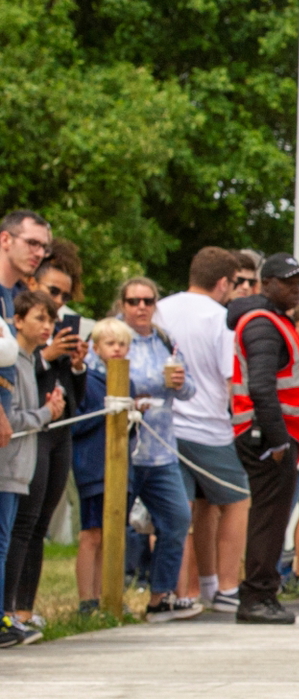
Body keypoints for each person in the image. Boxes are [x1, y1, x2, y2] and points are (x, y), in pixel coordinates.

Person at [229, 253, 299, 625]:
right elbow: (262, 386)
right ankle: (256, 596)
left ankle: (262, 592)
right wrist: (279, 442)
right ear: (267, 284)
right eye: (286, 281)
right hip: (269, 438)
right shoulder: (263, 324)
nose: (295, 288)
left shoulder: (278, 322)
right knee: (268, 517)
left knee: (275, 517)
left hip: (283, 437)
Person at [156, 247, 251, 614]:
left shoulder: (162, 308)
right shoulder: (221, 318)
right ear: (223, 282)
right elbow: (231, 378)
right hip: (208, 425)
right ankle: (227, 585)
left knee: (185, 508)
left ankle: (186, 590)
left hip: (165, 423)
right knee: (236, 499)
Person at [110, 276, 201, 622]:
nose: (141, 307)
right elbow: (95, 378)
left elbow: (189, 388)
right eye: (133, 301)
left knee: (177, 519)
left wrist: (179, 384)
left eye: (148, 301)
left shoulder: (164, 339)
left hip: (161, 448)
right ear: (123, 305)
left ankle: (160, 597)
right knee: (113, 524)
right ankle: (108, 600)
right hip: (123, 446)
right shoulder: (112, 336)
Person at [6, 241, 86, 626]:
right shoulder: (23, 329)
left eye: (64, 296)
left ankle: (24, 607)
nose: (57, 302)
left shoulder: (57, 327)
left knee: (40, 523)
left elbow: (75, 395)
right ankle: (10, 611)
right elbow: (20, 378)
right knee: (22, 521)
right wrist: (47, 355)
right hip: (27, 429)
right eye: (52, 292)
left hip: (58, 429)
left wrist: (77, 365)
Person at [0, 290, 60, 642]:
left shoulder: (29, 362)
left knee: (11, 539)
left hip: (19, 470)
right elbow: (13, 418)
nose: (47, 326)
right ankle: (5, 616)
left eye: (51, 320)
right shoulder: (15, 363)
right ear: (17, 321)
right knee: (4, 542)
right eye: (39, 318)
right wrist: (46, 414)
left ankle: (8, 613)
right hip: (7, 468)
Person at [70, 318, 121, 619]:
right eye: (110, 343)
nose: (116, 349)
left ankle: (105, 595)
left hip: (118, 466)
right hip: (92, 463)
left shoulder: (123, 377)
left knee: (110, 532)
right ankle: (86, 599)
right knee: (91, 534)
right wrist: (107, 411)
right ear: (96, 347)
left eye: (121, 344)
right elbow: (75, 422)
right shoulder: (86, 378)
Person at [0, 210, 50, 319]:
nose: (40, 254)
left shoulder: (17, 296)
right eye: (32, 243)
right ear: (5, 240)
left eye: (44, 247)